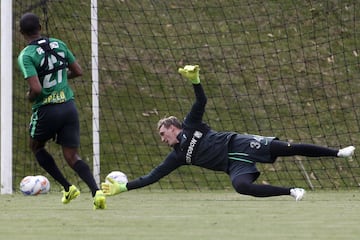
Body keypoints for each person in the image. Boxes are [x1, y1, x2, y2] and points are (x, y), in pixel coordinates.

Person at [101, 64, 355, 201]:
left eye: (163, 133)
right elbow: (152, 177)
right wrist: (125, 188)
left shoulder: (191, 125)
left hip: (240, 144)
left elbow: (201, 103)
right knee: (242, 187)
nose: (162, 138)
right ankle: (291, 191)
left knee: (288, 148)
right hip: (233, 165)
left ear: (174, 127)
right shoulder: (177, 156)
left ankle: (338, 153)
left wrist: (195, 81)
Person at [17, 13, 106, 209]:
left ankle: (67, 187)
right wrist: (60, 80)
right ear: (40, 27)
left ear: (22, 32)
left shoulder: (27, 55)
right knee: (72, 156)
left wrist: (29, 96)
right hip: (68, 107)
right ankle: (96, 191)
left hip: (47, 110)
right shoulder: (58, 44)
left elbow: (37, 89)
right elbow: (78, 71)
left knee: (36, 146)